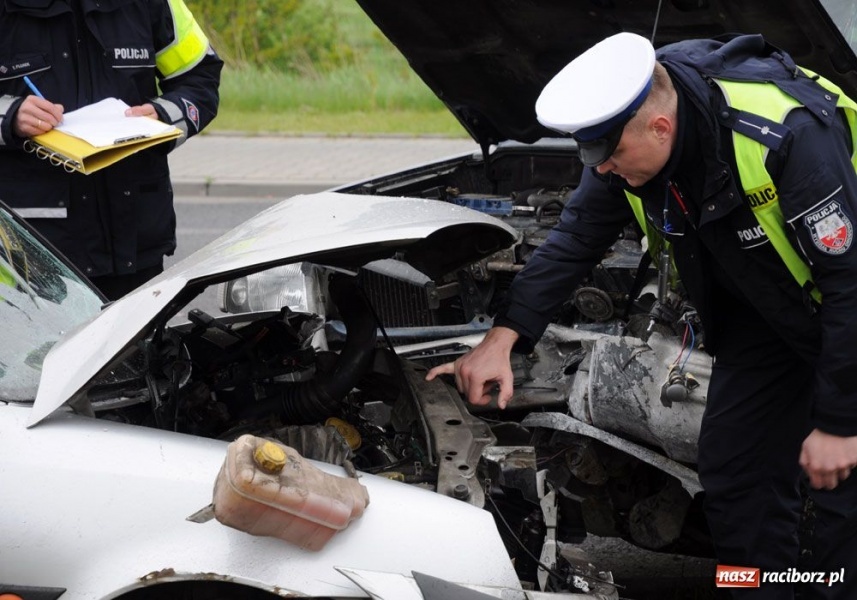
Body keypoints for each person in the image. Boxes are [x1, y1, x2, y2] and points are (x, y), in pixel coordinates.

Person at [427, 32, 857, 599]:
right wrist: (503, 337)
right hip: (766, 317)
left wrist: (838, 424)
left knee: (839, 504)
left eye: (609, 157)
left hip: (845, 307)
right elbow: (576, 236)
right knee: (733, 478)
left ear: (660, 128)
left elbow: (849, 283)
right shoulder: (627, 144)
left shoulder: (787, 135)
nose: (601, 172)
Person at [0, 0, 223, 300]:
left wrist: (164, 115)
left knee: (140, 349)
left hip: (135, 249)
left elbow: (200, 78)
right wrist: (10, 116)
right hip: (33, 257)